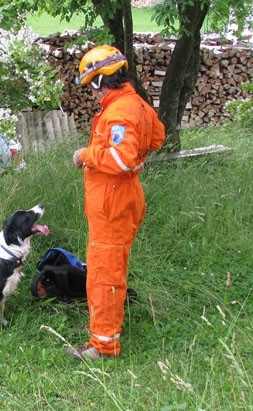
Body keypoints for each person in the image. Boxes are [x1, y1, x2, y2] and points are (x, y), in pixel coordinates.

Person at [68, 45, 165, 361]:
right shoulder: (136, 104)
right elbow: (156, 137)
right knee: (109, 268)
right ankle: (103, 329)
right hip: (124, 197)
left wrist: (86, 155)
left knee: (103, 275)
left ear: (99, 81)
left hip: (113, 201)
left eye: (91, 87)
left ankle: (103, 346)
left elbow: (121, 160)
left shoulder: (119, 111)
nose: (92, 94)